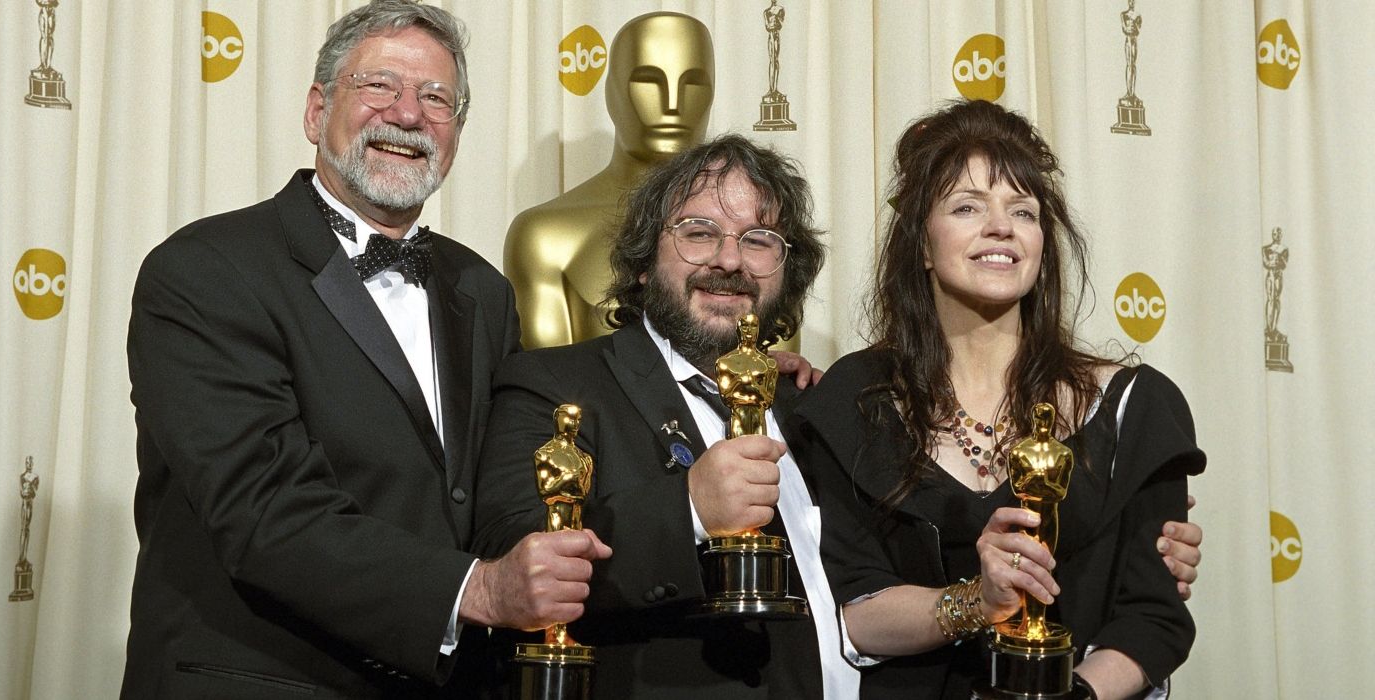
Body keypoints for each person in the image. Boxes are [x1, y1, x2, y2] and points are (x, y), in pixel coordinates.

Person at [122, 2, 610, 696]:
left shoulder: (483, 289)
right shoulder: (206, 271)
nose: (408, 114)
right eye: (379, 85)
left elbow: (517, 460)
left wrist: (729, 380)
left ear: (457, 132)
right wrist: (479, 590)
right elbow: (264, 510)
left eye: (437, 97)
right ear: (317, 110)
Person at [790, 99, 1206, 699]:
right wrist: (975, 603)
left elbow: (1155, 620)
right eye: (966, 207)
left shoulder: (1134, 406)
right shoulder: (854, 401)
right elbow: (852, 611)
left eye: (1023, 211)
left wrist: (1073, 697)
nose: (1001, 227)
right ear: (923, 246)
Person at [471, 134, 846, 697]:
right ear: (645, 261)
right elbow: (511, 553)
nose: (729, 259)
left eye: (759, 240)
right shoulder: (552, 385)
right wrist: (689, 508)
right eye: (698, 233)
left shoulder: (809, 406)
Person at [505, 12, 715, 349]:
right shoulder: (544, 236)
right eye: (648, 81)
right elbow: (550, 387)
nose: (672, 104)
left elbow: (774, 381)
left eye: (693, 83)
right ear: (611, 93)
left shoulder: (757, 235)